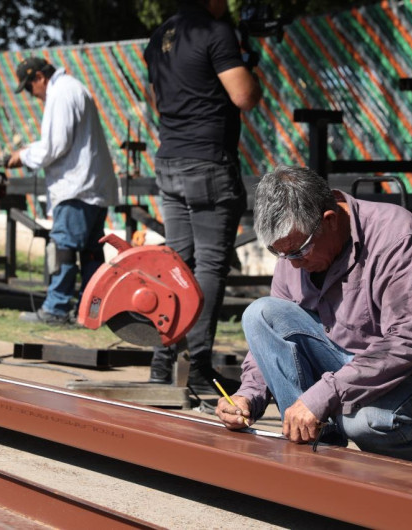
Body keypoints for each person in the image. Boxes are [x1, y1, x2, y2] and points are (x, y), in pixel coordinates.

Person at [216, 165, 412, 468]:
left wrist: (323, 396)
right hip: (343, 366)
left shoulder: (395, 236)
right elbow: (271, 340)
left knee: (365, 422)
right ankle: (314, 445)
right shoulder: (294, 247)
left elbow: (407, 342)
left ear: (329, 221)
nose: (293, 264)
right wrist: (247, 397)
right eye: (282, 255)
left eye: (299, 252)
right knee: (260, 313)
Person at [144, 0, 261, 393]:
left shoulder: (160, 36)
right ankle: (197, 369)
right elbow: (244, 95)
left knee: (176, 262)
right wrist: (249, 67)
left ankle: (162, 363)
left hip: (170, 160)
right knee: (209, 266)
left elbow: (157, 101)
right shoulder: (215, 32)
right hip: (207, 161)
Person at [7, 57, 120, 325]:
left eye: (29, 88)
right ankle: (90, 311)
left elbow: (54, 145)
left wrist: (23, 156)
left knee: (64, 248)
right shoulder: (73, 88)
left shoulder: (61, 93)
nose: (32, 95)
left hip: (76, 187)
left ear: (39, 78)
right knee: (91, 252)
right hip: (91, 186)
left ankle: (56, 308)